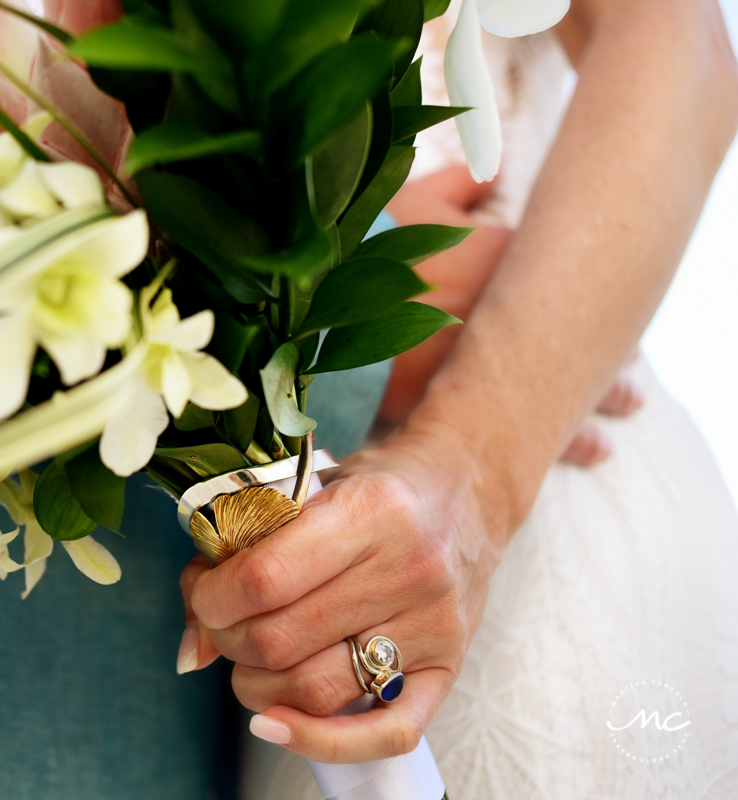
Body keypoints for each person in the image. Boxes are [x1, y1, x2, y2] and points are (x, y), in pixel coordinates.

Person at [181, 1, 738, 798]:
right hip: (290, 595)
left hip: (535, 476)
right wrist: (338, 280)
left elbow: (679, 44)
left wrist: (467, 477)